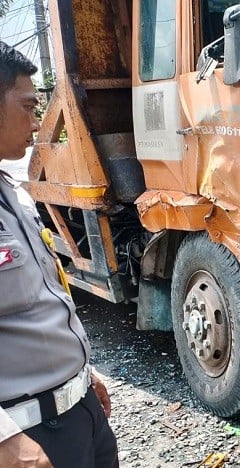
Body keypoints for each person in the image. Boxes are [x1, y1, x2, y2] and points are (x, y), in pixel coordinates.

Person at [0, 42, 119, 467]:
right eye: (28, 106)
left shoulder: (11, 194)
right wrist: (6, 444)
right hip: (28, 439)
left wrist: (80, 376)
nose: (37, 123)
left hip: (80, 412)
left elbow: (41, 303)